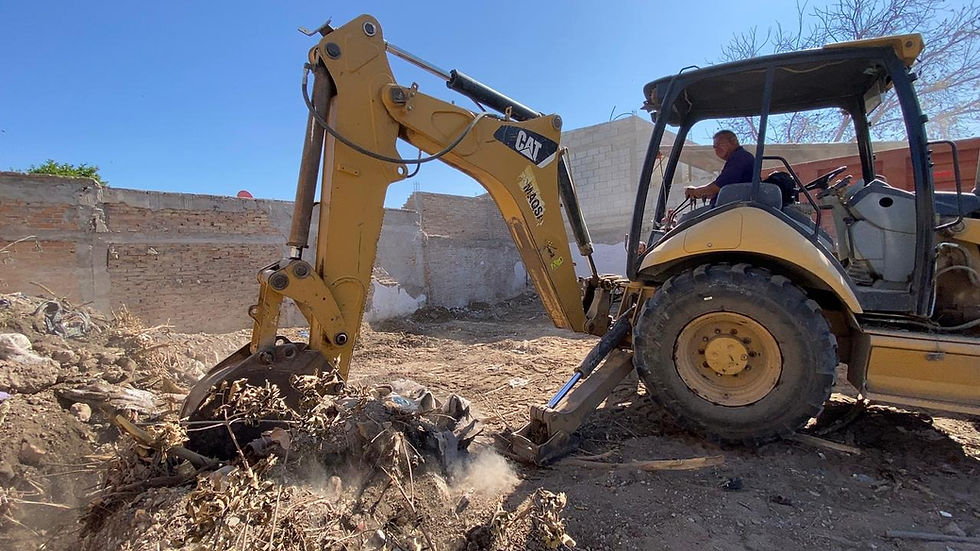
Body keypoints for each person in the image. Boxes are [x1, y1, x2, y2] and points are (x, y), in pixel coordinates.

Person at [685, 130, 754, 206]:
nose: (717, 149)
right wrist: (699, 191)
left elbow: (716, 188)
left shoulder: (740, 158)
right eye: (714, 147)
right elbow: (717, 189)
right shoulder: (739, 158)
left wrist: (695, 192)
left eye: (719, 144)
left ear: (733, 141)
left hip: (736, 209)